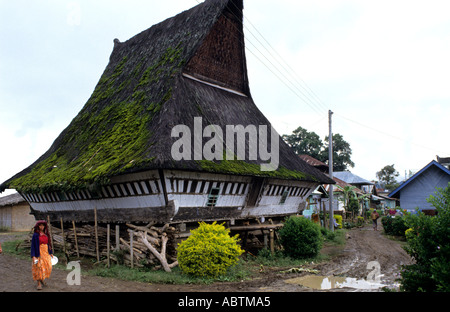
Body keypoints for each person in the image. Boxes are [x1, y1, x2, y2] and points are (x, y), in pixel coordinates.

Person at [31, 220, 53, 290]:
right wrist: (33, 256)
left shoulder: (46, 234)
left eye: (43, 225)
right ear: (38, 226)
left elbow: (48, 244)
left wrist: (51, 252)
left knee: (48, 266)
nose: (42, 227)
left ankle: (42, 279)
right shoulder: (35, 235)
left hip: (45, 253)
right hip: (38, 253)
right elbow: (33, 246)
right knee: (39, 267)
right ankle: (39, 283)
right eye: (40, 225)